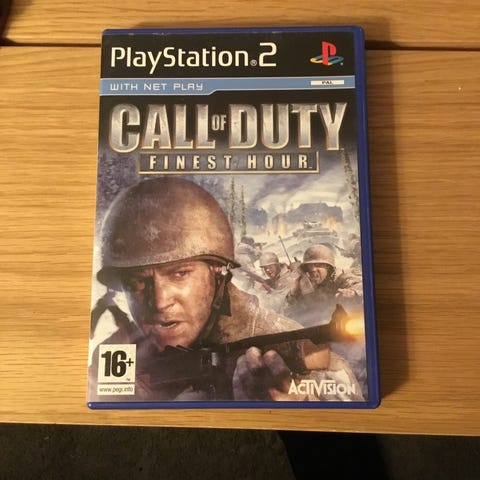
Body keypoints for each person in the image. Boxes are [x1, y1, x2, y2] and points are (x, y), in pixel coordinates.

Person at [88, 178, 363, 402]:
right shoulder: (117, 354)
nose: (160, 301)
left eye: (180, 274)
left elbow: (347, 406)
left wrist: (297, 407)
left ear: (217, 272)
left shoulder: (284, 346)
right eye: (137, 282)